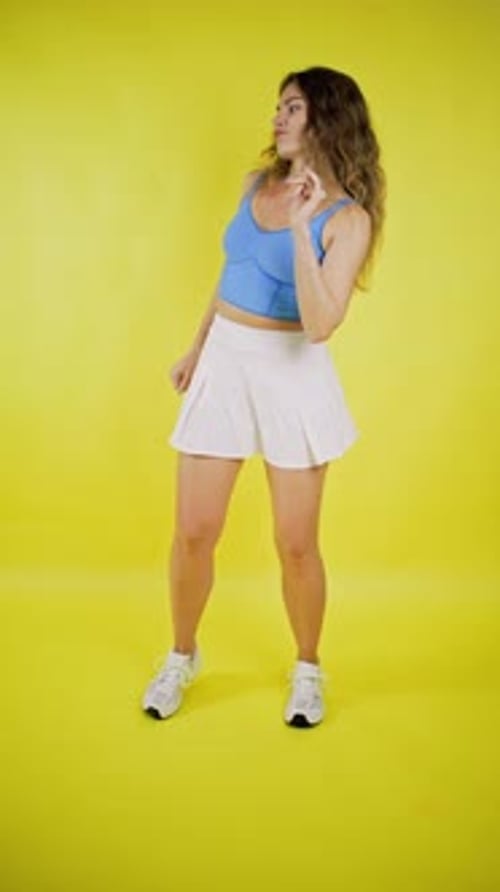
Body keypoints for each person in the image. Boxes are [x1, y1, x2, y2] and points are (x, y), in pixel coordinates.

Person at [142, 66, 385, 728]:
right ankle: (181, 655)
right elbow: (231, 276)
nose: (278, 117)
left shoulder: (348, 219)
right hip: (225, 360)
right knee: (194, 532)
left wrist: (306, 227)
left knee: (296, 543)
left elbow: (321, 323)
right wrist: (198, 347)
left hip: (292, 371)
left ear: (328, 118)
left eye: (293, 107)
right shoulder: (257, 185)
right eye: (278, 106)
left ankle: (308, 669)